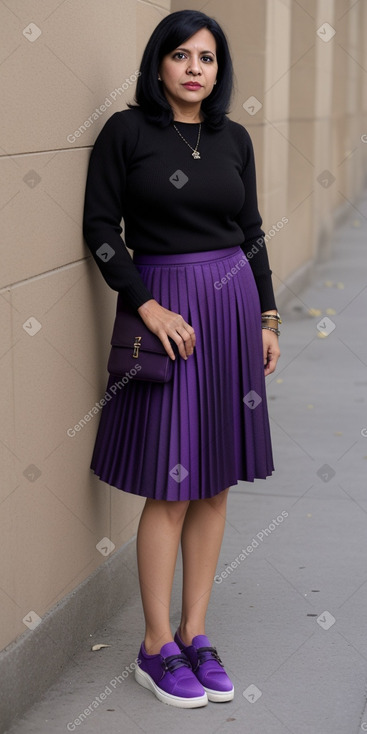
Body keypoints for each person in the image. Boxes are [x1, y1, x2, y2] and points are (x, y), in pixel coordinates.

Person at [82, 9, 280, 709]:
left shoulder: (234, 139)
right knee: (170, 487)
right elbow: (101, 229)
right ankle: (155, 645)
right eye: (182, 56)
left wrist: (266, 314)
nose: (196, 68)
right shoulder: (127, 133)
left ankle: (197, 634)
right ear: (158, 64)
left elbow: (250, 232)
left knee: (214, 482)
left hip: (228, 315)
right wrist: (146, 304)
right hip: (166, 309)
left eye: (208, 58)